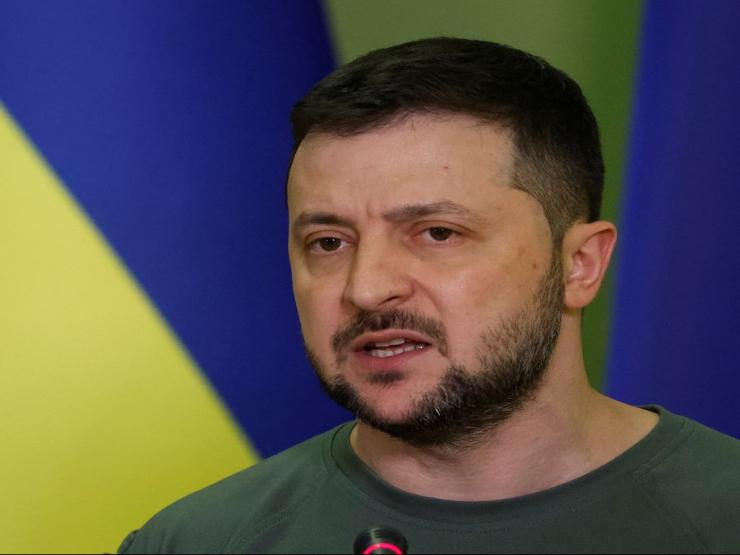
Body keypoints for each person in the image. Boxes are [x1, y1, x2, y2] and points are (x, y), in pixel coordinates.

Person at [118, 37, 740, 554]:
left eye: (437, 233)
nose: (367, 288)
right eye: (329, 242)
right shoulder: (196, 542)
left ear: (580, 264)